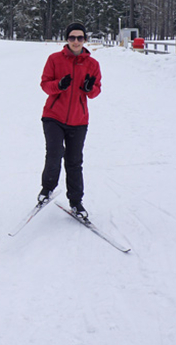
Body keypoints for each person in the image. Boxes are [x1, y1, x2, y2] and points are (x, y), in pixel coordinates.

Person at [38, 22, 102, 218]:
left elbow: (96, 91)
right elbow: (45, 84)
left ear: (84, 40)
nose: (76, 41)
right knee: (55, 153)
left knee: (74, 162)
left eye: (80, 38)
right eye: (72, 37)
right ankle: (46, 189)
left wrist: (90, 88)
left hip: (78, 120)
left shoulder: (93, 64)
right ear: (67, 39)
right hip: (53, 116)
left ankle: (76, 202)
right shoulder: (55, 59)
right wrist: (59, 84)